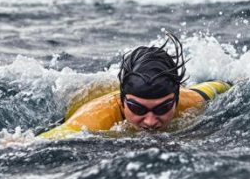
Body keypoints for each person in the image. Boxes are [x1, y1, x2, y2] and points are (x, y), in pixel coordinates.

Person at [37, 32, 231, 139]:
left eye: (162, 108)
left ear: (176, 98)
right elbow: (43, 140)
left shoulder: (190, 100)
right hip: (86, 98)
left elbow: (220, 85)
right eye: (138, 109)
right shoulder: (93, 120)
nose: (150, 122)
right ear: (122, 102)